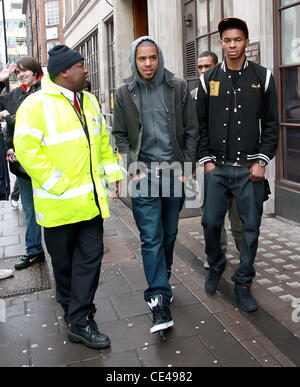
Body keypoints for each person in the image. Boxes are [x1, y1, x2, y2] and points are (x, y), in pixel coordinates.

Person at [14, 45, 123, 349]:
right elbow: (26, 150)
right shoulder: (35, 105)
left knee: (90, 260)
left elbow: (101, 142)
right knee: (63, 266)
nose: (86, 70)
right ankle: (71, 308)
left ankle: (80, 320)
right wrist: (57, 182)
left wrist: (113, 174)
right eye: (80, 65)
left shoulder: (87, 100)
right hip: (59, 206)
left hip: (90, 204)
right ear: (64, 72)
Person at [112, 36, 198, 334]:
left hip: (174, 173)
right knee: (151, 237)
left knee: (170, 234)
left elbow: (191, 131)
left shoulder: (178, 88)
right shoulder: (124, 92)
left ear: (159, 57)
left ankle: (162, 276)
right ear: (134, 61)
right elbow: (119, 134)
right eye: (141, 59)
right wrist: (133, 170)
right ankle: (158, 298)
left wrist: (187, 170)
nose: (148, 63)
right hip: (143, 176)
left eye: (152, 57)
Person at [196, 18, 279, 312]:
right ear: (221, 43)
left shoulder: (263, 77)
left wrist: (262, 161)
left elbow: (271, 125)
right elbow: (200, 125)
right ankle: (216, 264)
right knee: (210, 223)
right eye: (227, 40)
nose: (232, 45)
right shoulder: (208, 80)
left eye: (238, 40)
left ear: (246, 41)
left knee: (250, 229)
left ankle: (243, 281)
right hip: (217, 169)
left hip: (249, 172)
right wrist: (206, 162)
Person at [193, 51, 242, 269]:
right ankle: (216, 254)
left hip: (236, 165)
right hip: (208, 166)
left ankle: (245, 254)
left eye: (207, 67)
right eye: (200, 67)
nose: (203, 71)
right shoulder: (194, 94)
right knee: (211, 216)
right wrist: (196, 163)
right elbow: (192, 131)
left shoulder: (232, 89)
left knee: (239, 215)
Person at [0, 57, 45, 270]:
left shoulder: (45, 93)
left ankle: (62, 249)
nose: (20, 75)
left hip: (46, 162)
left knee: (52, 208)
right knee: (29, 209)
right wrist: (2, 80)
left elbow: (31, 121)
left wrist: (9, 118)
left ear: (35, 71)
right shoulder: (14, 95)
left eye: (24, 70)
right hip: (21, 165)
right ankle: (34, 250)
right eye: (17, 73)